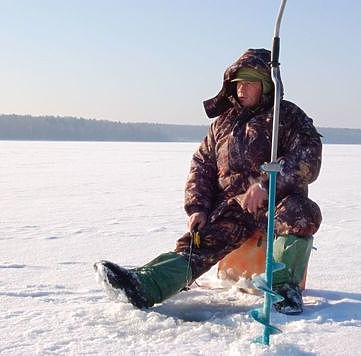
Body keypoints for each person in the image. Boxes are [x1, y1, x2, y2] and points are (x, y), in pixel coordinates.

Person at [95, 48, 322, 315]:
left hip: (277, 203)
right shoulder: (222, 124)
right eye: (237, 83)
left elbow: (309, 157)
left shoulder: (288, 117)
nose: (241, 89)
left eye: (249, 83)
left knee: (302, 213)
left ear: (266, 85)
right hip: (232, 208)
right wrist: (198, 207)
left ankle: (284, 290)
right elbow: (202, 165)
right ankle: (145, 285)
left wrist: (266, 185)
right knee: (197, 243)